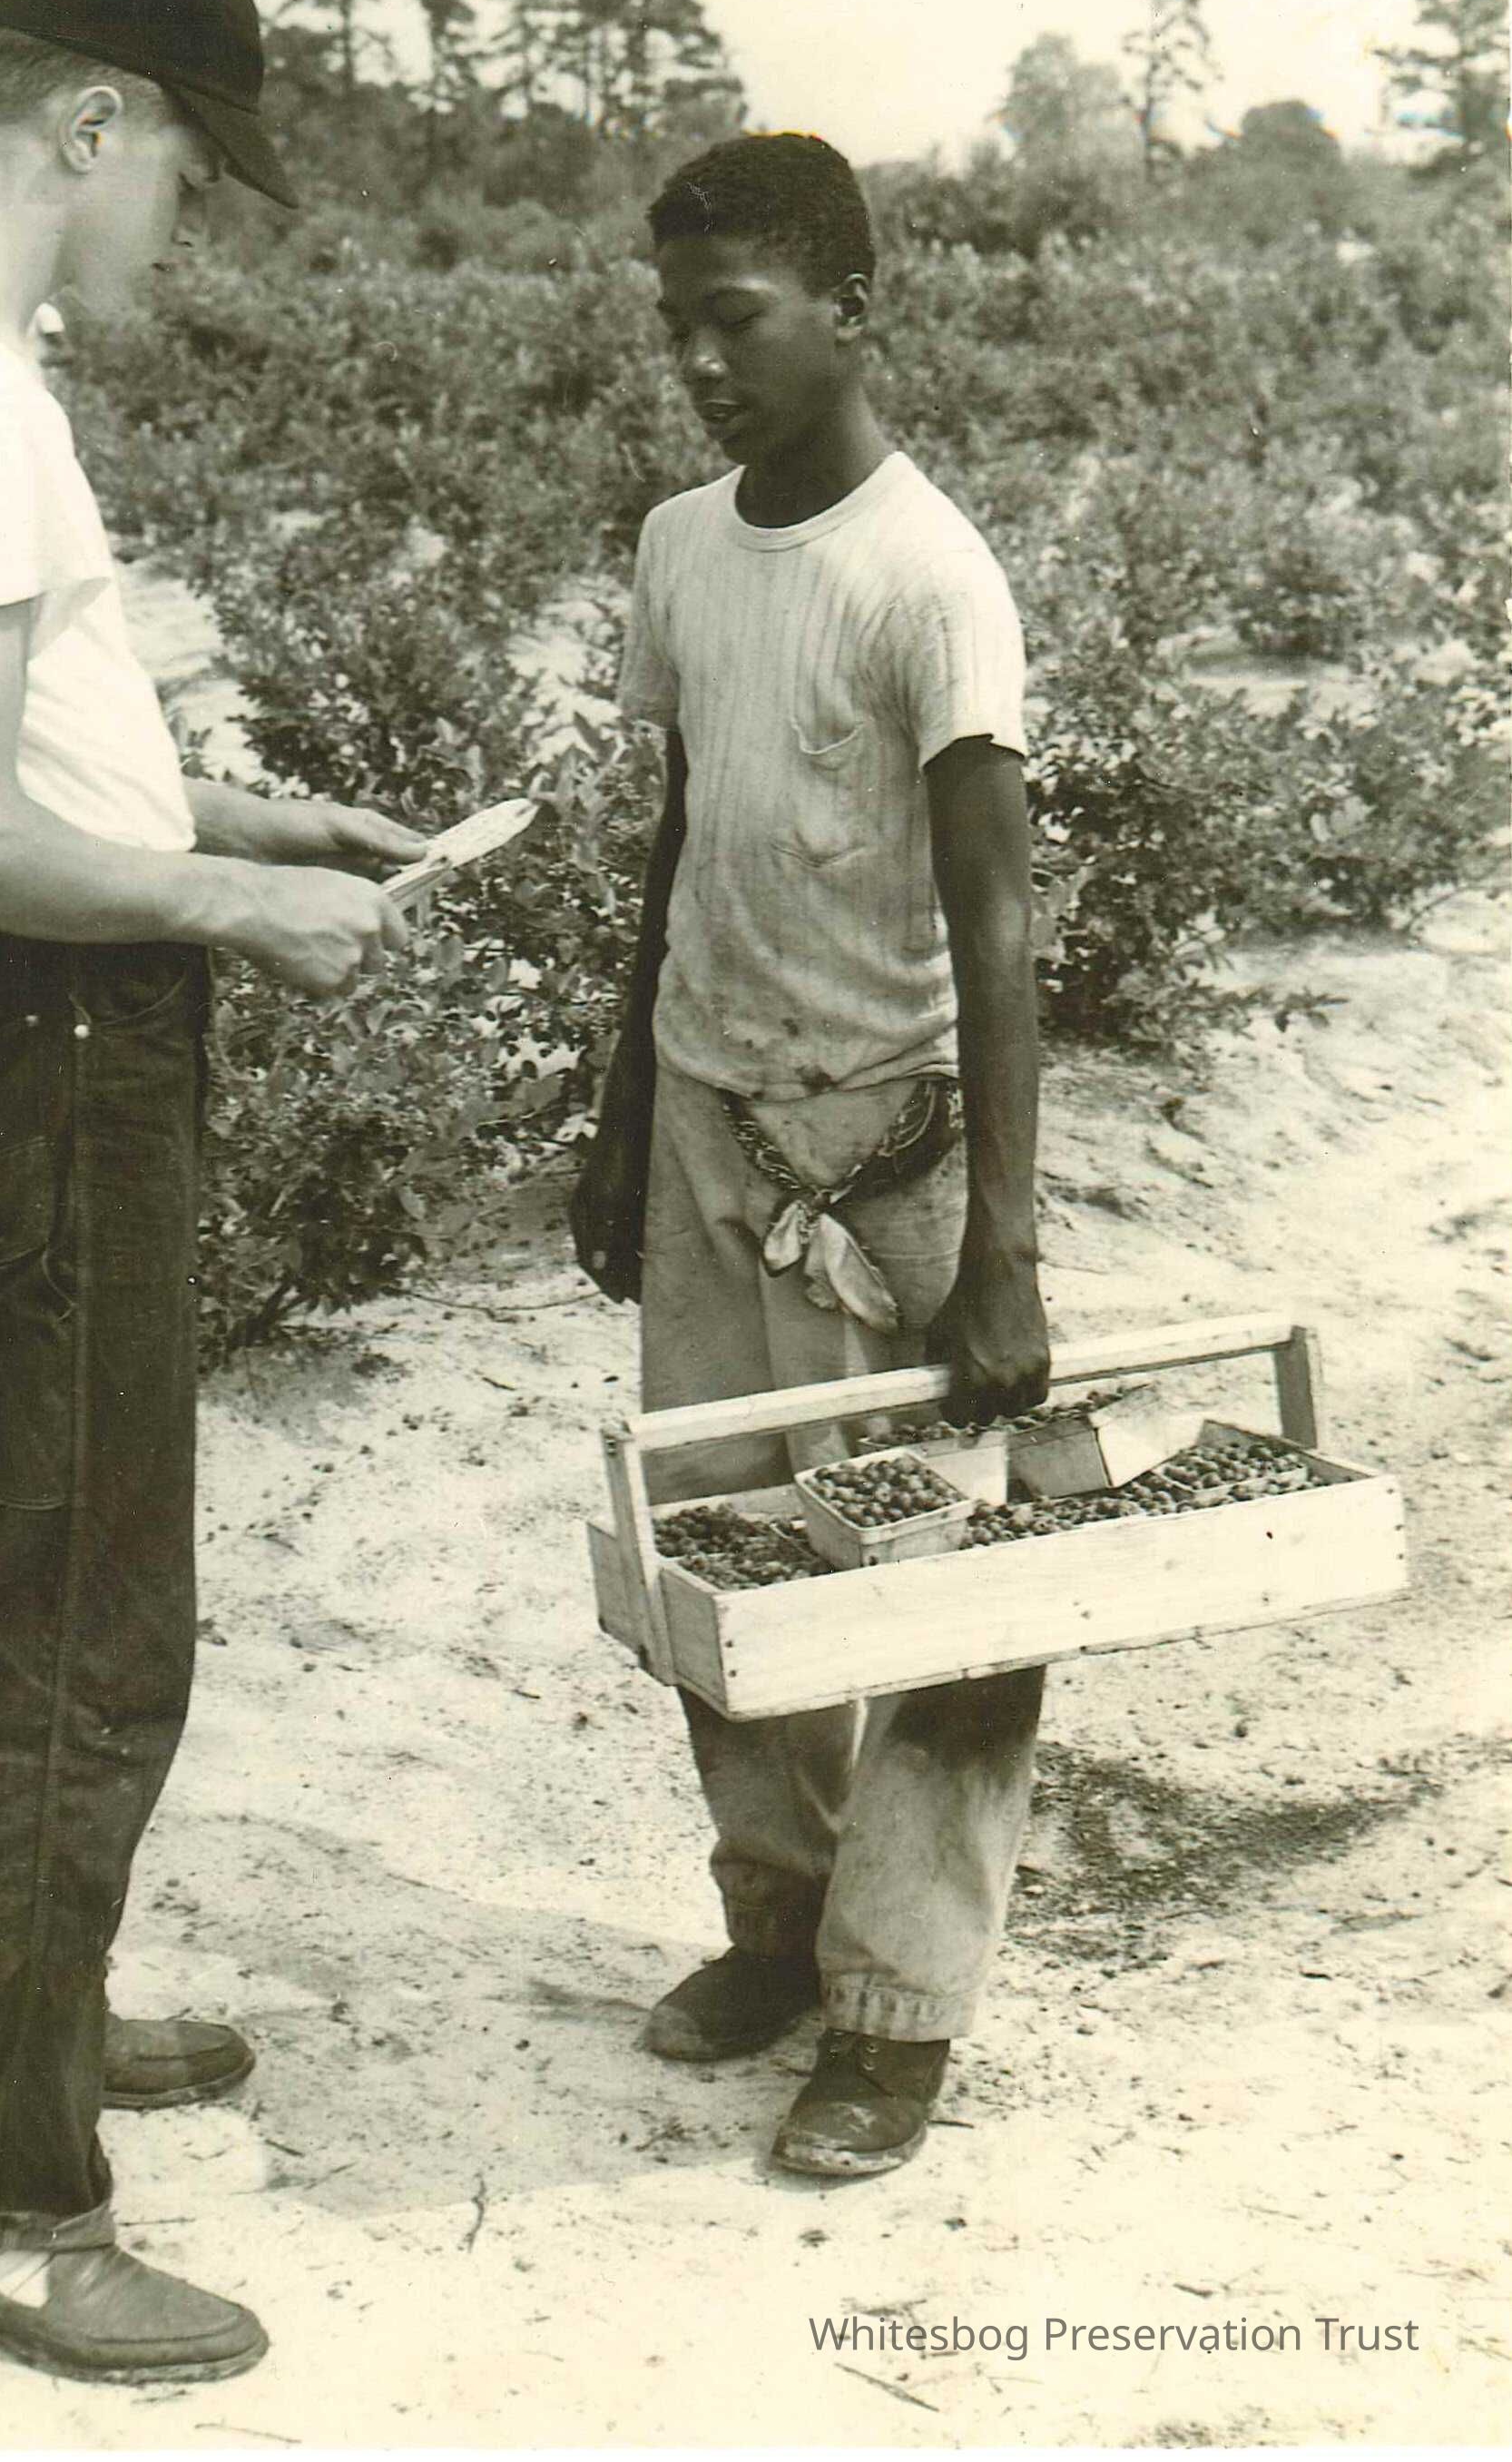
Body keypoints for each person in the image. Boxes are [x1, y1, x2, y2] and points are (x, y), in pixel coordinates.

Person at [0, 0, 424, 2384]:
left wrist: (244, 812)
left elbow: (16, 763)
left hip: (16, 1016)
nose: (189, 212)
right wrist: (229, 906)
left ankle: (26, 2027)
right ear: (85, 127)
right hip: (51, 1028)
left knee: (27, 1575)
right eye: (182, 164)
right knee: (75, 1626)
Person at [570, 132, 1051, 2183]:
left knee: (941, 1581)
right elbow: (686, 836)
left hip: (893, 1150)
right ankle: (775, 1920)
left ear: (851, 312)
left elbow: (996, 926)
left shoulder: (930, 575)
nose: (700, 361)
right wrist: (622, 1113)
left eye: (738, 319)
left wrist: (1003, 1245)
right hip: (708, 1116)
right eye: (675, 325)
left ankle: (898, 2008)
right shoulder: (683, 547)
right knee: (725, 1550)